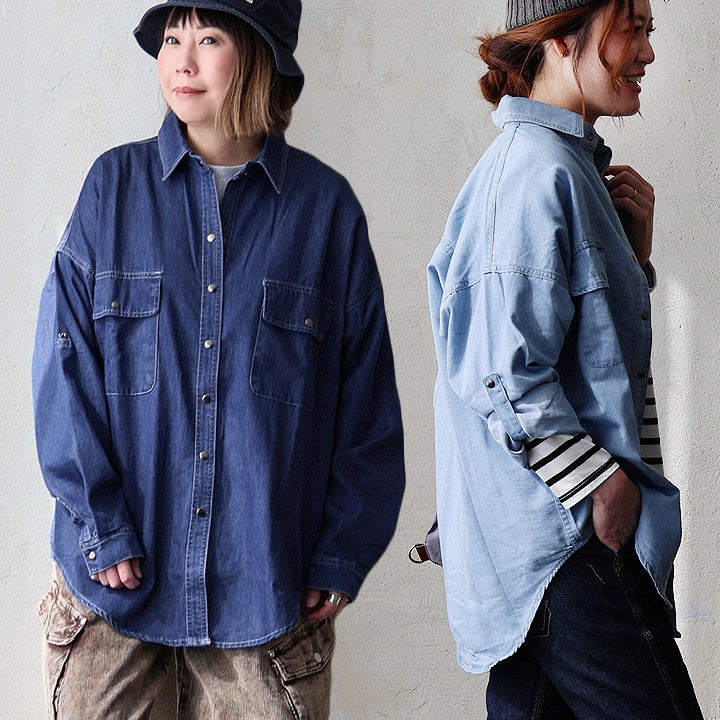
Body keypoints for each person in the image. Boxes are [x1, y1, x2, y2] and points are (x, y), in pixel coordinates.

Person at [32, 1, 405, 717]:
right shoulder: (111, 190)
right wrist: (101, 524)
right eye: (172, 37)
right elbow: (63, 371)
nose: (181, 59)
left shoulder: (325, 213)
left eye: (207, 38)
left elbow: (366, 406)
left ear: (261, 57)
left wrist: (342, 551)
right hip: (111, 595)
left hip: (263, 602)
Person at [428, 0, 702, 717]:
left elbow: (583, 354)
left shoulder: (565, 169)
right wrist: (601, 487)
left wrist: (633, 263)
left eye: (649, 30)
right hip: (565, 542)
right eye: (630, 27)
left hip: (553, 540)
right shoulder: (534, 172)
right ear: (561, 39)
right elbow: (498, 371)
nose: (647, 51)